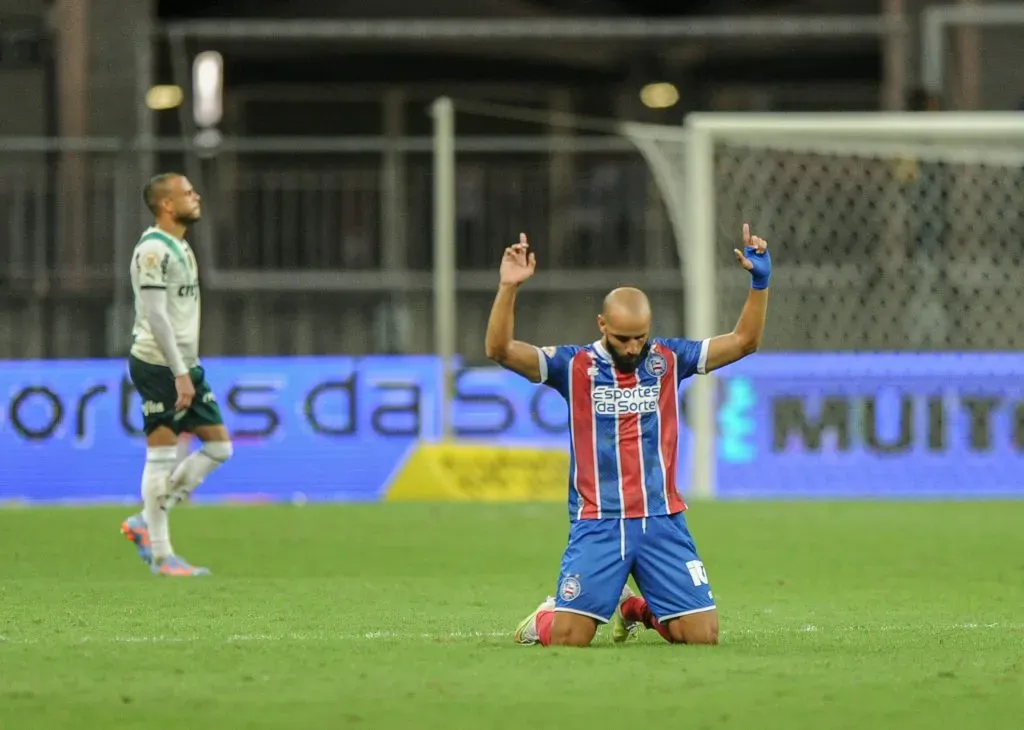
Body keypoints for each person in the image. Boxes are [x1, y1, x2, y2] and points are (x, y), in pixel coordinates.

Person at [485, 225, 771, 647]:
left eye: (641, 336)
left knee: (701, 636)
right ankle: (548, 616)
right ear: (602, 324)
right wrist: (508, 287)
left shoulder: (671, 359)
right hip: (598, 522)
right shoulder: (574, 365)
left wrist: (759, 281)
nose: (634, 347)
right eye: (623, 338)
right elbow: (501, 350)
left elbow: (744, 341)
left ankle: (630, 607)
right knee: (568, 640)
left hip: (661, 519)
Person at [119, 173, 234, 577]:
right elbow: (155, 316)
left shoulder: (180, 246)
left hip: (185, 365)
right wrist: (180, 372)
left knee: (220, 448)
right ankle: (164, 557)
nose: (196, 197)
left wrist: (187, 368)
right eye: (187, 193)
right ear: (167, 205)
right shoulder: (152, 250)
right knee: (161, 456)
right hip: (159, 364)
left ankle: (146, 520)